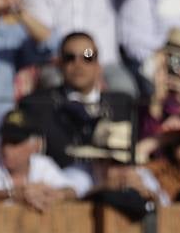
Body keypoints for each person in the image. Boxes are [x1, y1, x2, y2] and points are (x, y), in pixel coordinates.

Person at [18, 32, 136, 169]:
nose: (78, 64)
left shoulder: (122, 104)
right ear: (59, 64)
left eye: (87, 57)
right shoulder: (36, 105)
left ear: (98, 65)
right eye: (70, 58)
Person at [0, 108, 81, 210]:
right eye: (4, 141)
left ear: (35, 145)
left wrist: (55, 194)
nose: (7, 149)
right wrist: (13, 194)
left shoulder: (42, 164)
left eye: (15, 142)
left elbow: (72, 191)